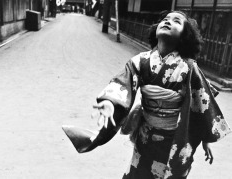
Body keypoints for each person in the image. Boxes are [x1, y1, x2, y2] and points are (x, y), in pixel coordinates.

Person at [62, 10, 231, 179]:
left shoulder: (189, 67)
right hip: (146, 136)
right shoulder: (140, 61)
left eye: (176, 21)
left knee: (170, 173)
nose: (168, 22)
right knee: (139, 172)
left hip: (174, 139)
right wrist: (110, 103)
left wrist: (205, 139)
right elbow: (123, 84)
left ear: (184, 35)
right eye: (165, 19)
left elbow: (201, 104)